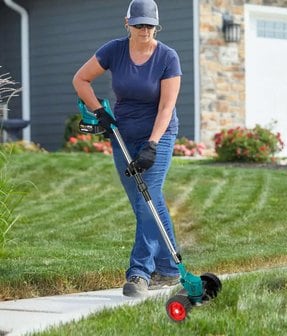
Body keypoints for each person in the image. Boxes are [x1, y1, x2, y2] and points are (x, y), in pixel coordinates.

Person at [72, 0, 182, 297]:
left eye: (149, 25)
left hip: (158, 134)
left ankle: (139, 274)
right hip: (122, 133)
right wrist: (100, 113)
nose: (144, 30)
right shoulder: (114, 50)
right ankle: (170, 269)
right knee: (143, 202)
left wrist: (153, 144)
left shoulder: (167, 57)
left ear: (156, 25)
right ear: (127, 23)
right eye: (138, 24)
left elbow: (166, 106)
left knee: (151, 196)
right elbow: (80, 80)